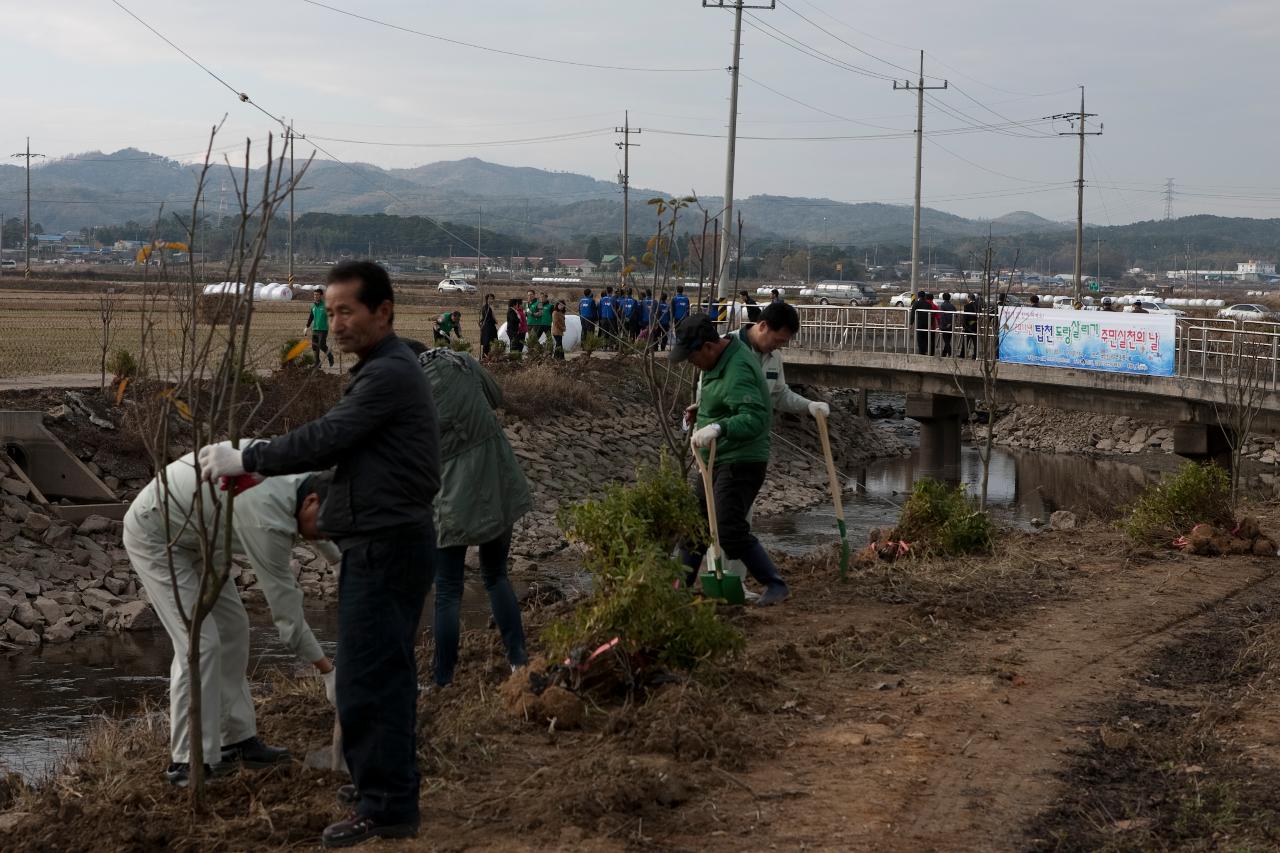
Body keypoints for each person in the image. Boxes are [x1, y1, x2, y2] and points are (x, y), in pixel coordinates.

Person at [198, 260, 440, 848]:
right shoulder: (387, 368)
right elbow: (355, 459)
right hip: (386, 540)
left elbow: (328, 435)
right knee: (383, 676)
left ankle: (383, 807)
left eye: (347, 311)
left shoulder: (386, 376)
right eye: (329, 312)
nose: (336, 323)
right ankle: (385, 794)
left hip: (386, 546)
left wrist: (249, 457)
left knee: (367, 680)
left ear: (382, 311)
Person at [123, 450, 337, 788]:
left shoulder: (302, 471)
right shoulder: (266, 519)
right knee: (199, 643)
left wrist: (342, 565)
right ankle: (186, 762)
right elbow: (288, 619)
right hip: (158, 532)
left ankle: (235, 741)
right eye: (324, 530)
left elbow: (322, 527)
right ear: (310, 501)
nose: (322, 538)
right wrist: (328, 672)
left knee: (234, 628)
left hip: (203, 535)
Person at [405, 344, 531, 689]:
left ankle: (444, 679)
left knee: (447, 590)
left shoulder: (407, 389)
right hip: (496, 478)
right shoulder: (460, 362)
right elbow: (497, 396)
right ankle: (519, 662)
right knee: (496, 576)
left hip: (450, 495)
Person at [670, 314, 789, 606]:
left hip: (741, 460)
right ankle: (677, 589)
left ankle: (775, 585)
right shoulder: (719, 360)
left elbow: (755, 418)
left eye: (692, 356)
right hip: (716, 458)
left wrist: (719, 427)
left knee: (728, 529)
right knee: (695, 527)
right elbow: (728, 400)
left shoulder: (738, 368)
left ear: (709, 346)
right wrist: (705, 410)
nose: (691, 363)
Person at [305, 287, 335, 368]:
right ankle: (317, 363)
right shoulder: (313, 306)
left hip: (323, 329)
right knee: (314, 346)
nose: (315, 296)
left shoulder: (325, 305)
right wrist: (306, 327)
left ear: (321, 295)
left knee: (321, 345)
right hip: (315, 329)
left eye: (317, 295)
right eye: (314, 295)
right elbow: (311, 317)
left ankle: (330, 356)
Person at [478, 294, 498, 358]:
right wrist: (495, 321)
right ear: (486, 300)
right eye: (489, 299)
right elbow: (487, 318)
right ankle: (484, 357)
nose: (491, 300)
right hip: (487, 328)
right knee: (486, 344)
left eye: (492, 299)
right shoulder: (486, 308)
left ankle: (487, 357)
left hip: (490, 327)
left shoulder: (490, 307)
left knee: (489, 344)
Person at [961, 293, 980, 359]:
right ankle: (975, 355)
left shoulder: (967, 306)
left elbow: (965, 317)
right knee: (975, 342)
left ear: (969, 298)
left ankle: (963, 354)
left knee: (965, 341)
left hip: (968, 326)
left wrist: (964, 326)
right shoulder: (978, 306)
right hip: (976, 325)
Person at [937, 292, 956, 357]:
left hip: (944, 326)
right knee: (948, 340)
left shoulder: (942, 305)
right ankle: (944, 354)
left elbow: (942, 316)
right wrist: (950, 323)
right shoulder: (952, 306)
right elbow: (955, 315)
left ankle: (950, 353)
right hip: (951, 325)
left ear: (943, 298)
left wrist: (945, 324)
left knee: (946, 341)